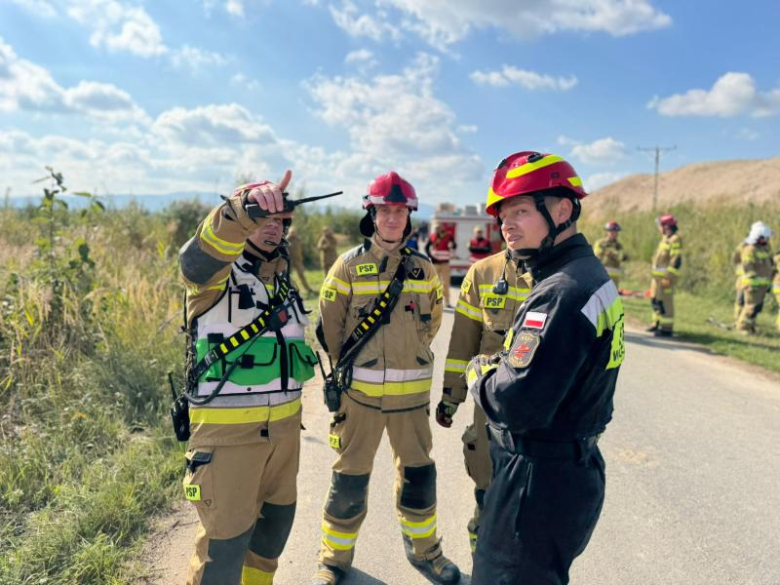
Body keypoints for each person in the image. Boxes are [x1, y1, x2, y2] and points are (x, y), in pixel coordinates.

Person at [465, 151, 625, 585]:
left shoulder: (562, 291)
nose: (507, 225)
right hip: (568, 471)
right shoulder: (587, 274)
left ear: (562, 210)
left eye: (520, 210)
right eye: (502, 216)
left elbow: (514, 402)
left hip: (535, 482)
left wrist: (479, 374)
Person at [312, 171, 460, 585]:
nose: (392, 218)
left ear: (409, 216)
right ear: (371, 215)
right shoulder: (347, 267)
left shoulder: (424, 270)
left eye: (399, 211)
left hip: (411, 402)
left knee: (419, 479)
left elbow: (431, 324)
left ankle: (426, 552)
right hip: (358, 399)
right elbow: (330, 330)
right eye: (384, 211)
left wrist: (407, 357)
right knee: (348, 482)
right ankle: (333, 560)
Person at [178, 171, 319, 585]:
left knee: (270, 541)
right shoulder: (215, 278)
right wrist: (244, 210)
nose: (274, 227)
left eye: (280, 220)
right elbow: (198, 257)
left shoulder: (282, 282)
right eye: (263, 219)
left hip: (283, 440)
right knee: (221, 555)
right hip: (228, 442)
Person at [436, 248, 531, 554]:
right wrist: (451, 395)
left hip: (538, 406)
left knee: (532, 493)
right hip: (489, 405)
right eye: (503, 222)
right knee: (487, 483)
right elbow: (463, 340)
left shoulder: (561, 274)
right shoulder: (482, 273)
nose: (510, 226)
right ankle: (482, 556)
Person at [735, 221, 774, 334]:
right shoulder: (750, 249)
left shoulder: (763, 249)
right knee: (750, 308)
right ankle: (743, 328)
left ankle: (750, 327)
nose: (767, 240)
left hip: (761, 285)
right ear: (759, 238)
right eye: (765, 238)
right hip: (753, 285)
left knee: (756, 308)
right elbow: (748, 267)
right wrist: (752, 282)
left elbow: (767, 265)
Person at [647, 214, 682, 337]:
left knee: (666, 302)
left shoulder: (675, 239)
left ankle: (666, 328)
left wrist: (668, 277)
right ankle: (656, 323)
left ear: (667, 226)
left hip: (666, 278)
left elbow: (676, 260)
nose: (659, 228)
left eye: (660, 225)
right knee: (656, 300)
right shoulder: (665, 238)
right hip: (657, 278)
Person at [425, 224, 456, 307]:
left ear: (442, 228)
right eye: (436, 228)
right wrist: (430, 256)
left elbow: (454, 245)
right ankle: (434, 301)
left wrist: (452, 245)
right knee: (434, 283)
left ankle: (447, 302)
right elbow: (426, 247)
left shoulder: (448, 236)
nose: (437, 229)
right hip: (435, 263)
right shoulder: (432, 236)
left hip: (445, 263)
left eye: (439, 228)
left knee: (446, 283)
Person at [593, 221, 629, 288]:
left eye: (616, 232)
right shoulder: (600, 243)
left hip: (614, 277)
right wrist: (613, 253)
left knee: (614, 294)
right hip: (601, 275)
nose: (614, 234)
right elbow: (597, 253)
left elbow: (620, 256)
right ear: (607, 232)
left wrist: (608, 252)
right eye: (612, 232)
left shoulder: (619, 246)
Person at [286, 225, 314, 296]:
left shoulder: (298, 239)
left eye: (294, 232)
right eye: (292, 232)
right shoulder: (287, 240)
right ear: (289, 232)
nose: (293, 233)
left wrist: (301, 258)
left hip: (298, 261)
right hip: (290, 261)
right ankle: (289, 290)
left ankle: (308, 289)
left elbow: (301, 249)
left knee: (302, 275)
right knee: (288, 276)